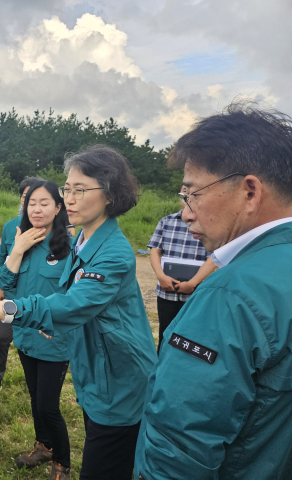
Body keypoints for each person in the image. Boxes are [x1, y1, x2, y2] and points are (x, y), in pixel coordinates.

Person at [0, 145, 157, 480]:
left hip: (118, 378)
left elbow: (71, 303)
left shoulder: (112, 253)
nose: (70, 199)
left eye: (80, 190)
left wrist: (1, 308)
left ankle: (61, 459)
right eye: (68, 189)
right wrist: (54, 321)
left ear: (110, 195)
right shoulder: (85, 242)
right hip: (95, 368)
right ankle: (46, 447)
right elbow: (67, 299)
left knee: (105, 467)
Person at [135, 103, 292, 479]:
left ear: (249, 192)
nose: (186, 212)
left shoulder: (231, 295)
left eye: (193, 193)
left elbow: (181, 443)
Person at [0, 180, 73, 473]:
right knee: (35, 397)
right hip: (25, 334)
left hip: (53, 336)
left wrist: (56, 321)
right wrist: (17, 250)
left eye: (44, 203)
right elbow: (5, 283)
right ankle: (44, 446)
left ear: (57, 207)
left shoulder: (68, 244)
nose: (36, 209)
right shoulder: (21, 238)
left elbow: (73, 296)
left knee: (48, 406)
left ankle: (62, 463)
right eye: (31, 203)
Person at [0, 176, 44, 398]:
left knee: (41, 340)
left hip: (42, 299)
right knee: (2, 338)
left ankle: (42, 384)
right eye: (27, 198)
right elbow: (1, 260)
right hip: (13, 299)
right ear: (22, 199)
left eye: (38, 199)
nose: (31, 203)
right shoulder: (8, 228)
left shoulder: (53, 229)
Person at [148, 199, 216, 352]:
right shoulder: (166, 221)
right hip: (167, 291)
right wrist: (161, 276)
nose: (188, 196)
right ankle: (161, 371)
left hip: (196, 293)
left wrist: (193, 283)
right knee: (165, 333)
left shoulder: (210, 224)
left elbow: (213, 258)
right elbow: (154, 250)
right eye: (184, 190)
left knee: (192, 338)